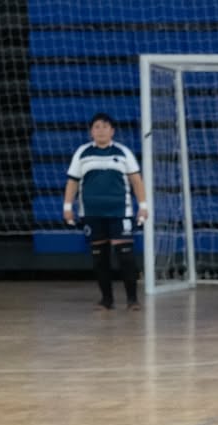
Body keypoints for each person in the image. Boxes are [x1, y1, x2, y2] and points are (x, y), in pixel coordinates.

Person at [63, 112, 148, 311]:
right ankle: (106, 300)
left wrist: (143, 207)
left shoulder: (123, 152)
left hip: (120, 212)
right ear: (91, 131)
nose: (101, 130)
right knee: (99, 258)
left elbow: (136, 181)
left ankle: (132, 300)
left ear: (113, 131)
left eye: (105, 126)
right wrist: (67, 208)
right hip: (92, 213)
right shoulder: (82, 153)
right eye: (97, 127)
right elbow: (72, 182)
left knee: (125, 256)